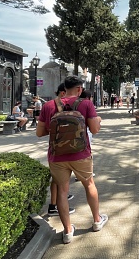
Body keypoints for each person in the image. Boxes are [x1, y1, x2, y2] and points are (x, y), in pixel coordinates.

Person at [37, 76, 108, 244]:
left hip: (57, 155)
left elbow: (40, 133)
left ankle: (67, 231)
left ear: (64, 88)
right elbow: (95, 130)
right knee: (89, 184)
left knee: (62, 190)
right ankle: (97, 220)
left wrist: (58, 131)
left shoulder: (49, 106)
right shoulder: (86, 104)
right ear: (79, 89)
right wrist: (97, 120)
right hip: (81, 153)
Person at [47, 83, 75, 216]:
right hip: (61, 149)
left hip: (54, 149)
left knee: (57, 180)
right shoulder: (57, 106)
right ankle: (55, 206)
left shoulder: (50, 105)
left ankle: (55, 204)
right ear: (63, 93)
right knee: (59, 181)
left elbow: (42, 131)